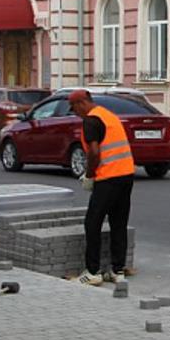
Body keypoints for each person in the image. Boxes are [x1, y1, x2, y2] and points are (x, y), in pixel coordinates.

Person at [67, 89, 134, 286]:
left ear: (81, 103)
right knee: (118, 223)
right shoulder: (108, 116)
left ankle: (93, 271)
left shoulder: (91, 121)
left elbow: (94, 152)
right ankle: (117, 270)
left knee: (92, 222)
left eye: (74, 108)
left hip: (108, 178)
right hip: (126, 175)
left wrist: (89, 175)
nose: (75, 112)